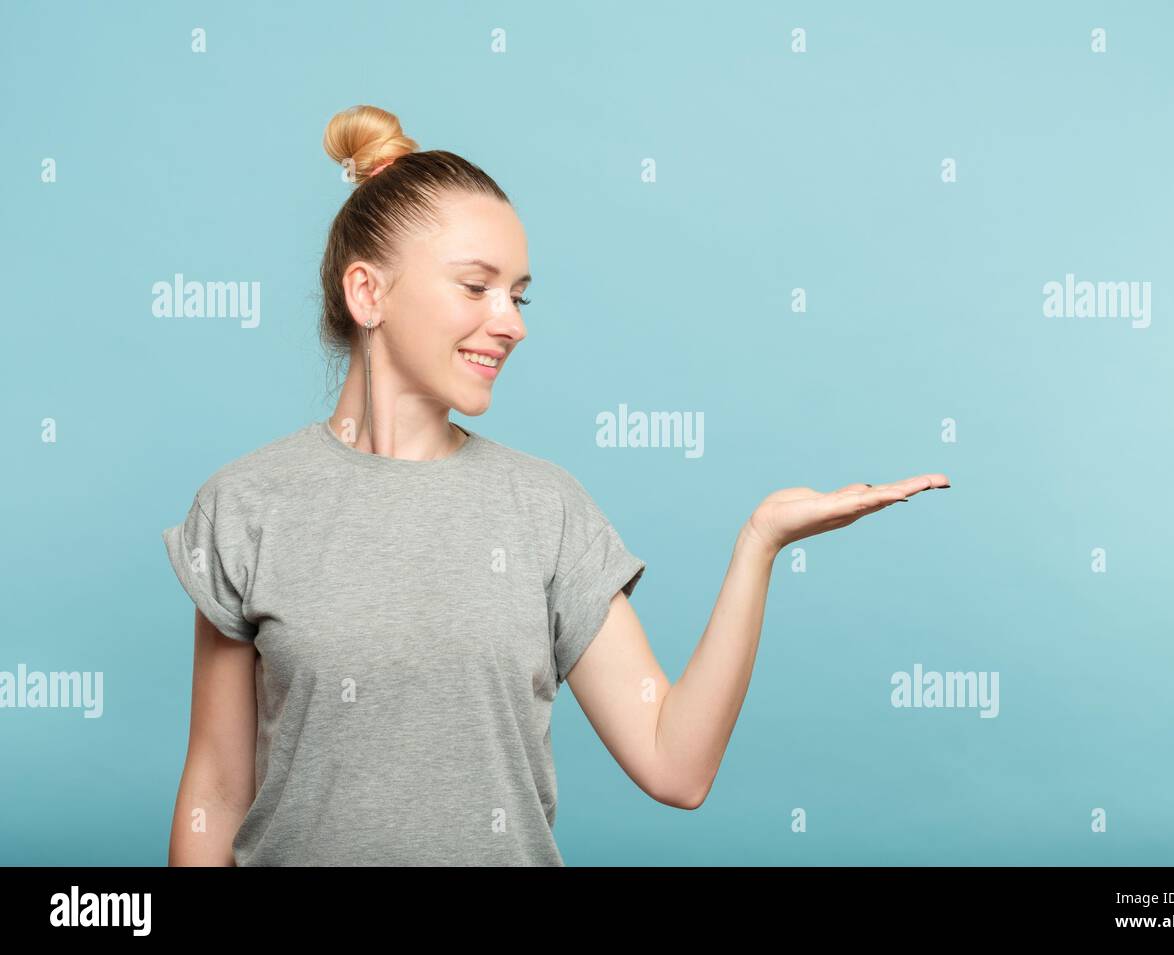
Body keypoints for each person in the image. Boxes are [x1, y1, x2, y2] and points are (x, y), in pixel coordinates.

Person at [161, 104, 951, 867]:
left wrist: (759, 546)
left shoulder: (545, 509)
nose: (512, 322)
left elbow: (677, 768)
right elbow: (219, 790)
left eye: (519, 293)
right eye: (477, 288)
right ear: (368, 293)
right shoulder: (247, 506)